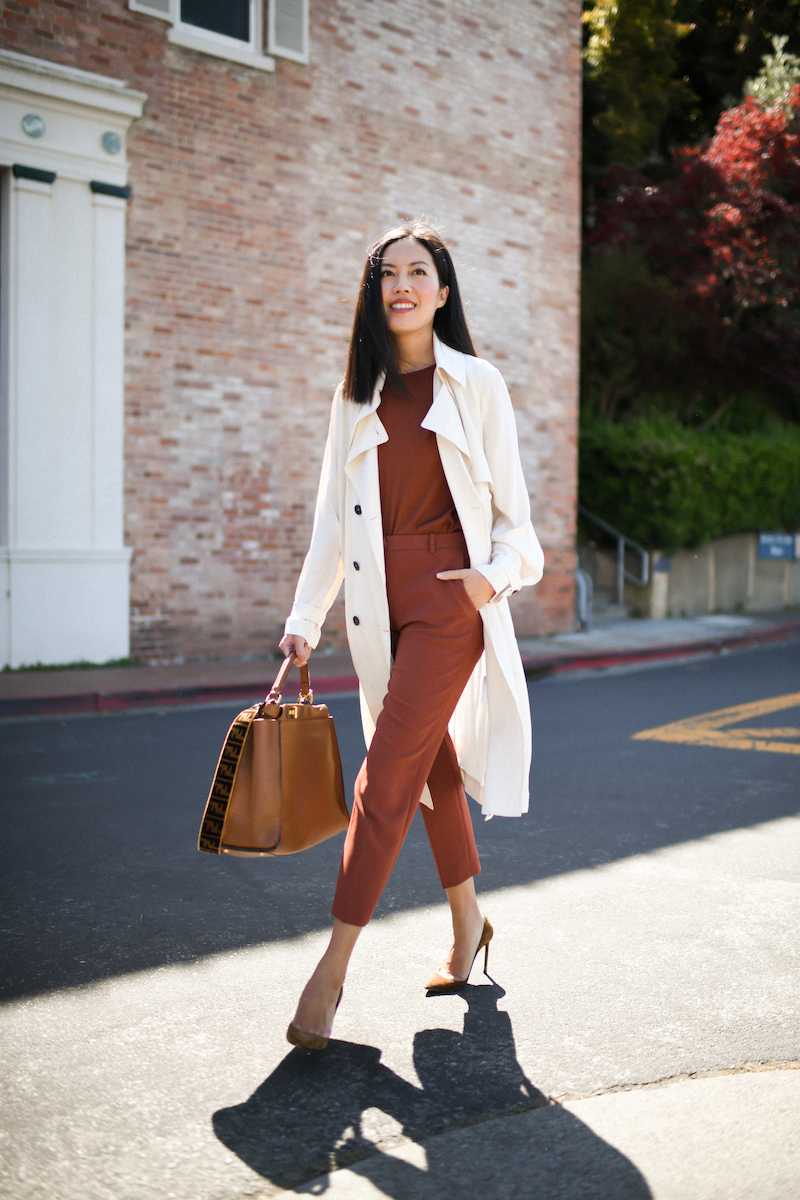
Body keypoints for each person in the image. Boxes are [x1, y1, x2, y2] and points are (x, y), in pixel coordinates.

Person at [280, 221, 544, 1051]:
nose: (401, 285)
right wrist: (303, 618)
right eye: (387, 273)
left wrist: (487, 581)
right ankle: (470, 926)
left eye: (417, 272)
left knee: (384, 779)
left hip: (445, 601)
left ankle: (330, 972)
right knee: (427, 768)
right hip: (371, 601)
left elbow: (519, 529)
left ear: (443, 290)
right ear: (375, 291)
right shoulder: (354, 393)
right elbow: (332, 519)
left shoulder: (479, 385)